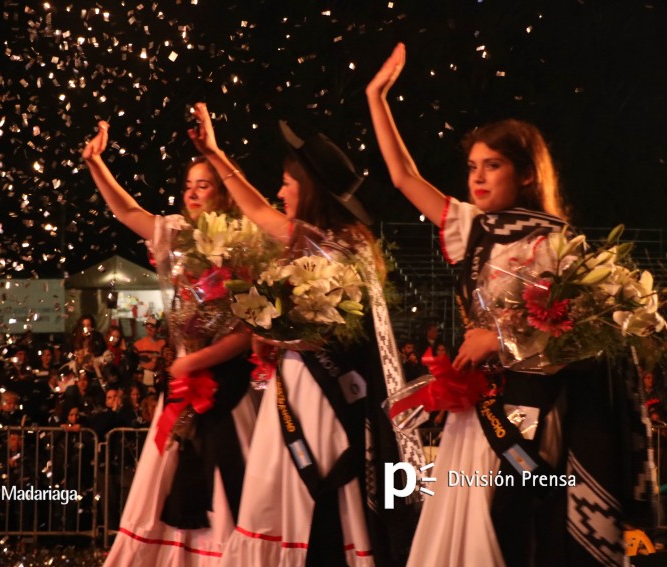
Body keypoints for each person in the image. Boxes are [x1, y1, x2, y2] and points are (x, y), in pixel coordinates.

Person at [367, 42, 630, 566]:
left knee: (515, 530)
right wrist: (376, 97)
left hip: (530, 411)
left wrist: (499, 339)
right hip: (475, 410)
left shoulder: (559, 245)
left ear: (527, 174)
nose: (478, 177)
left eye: (493, 165)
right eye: (472, 167)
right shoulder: (471, 227)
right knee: (464, 532)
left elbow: (581, 340)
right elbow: (403, 177)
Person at [189, 101, 424, 566]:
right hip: (293, 384)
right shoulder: (305, 237)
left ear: (309, 188)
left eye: (287, 182)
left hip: (325, 394)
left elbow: (339, 334)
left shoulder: (348, 249)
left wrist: (281, 333)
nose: (279, 192)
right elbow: (254, 206)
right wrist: (214, 153)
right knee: (275, 492)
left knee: (314, 483)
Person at [82, 120, 256, 565]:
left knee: (230, 492)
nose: (192, 193)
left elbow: (249, 330)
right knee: (162, 486)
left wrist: (196, 361)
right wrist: (96, 163)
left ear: (224, 193)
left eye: (204, 185)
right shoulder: (176, 234)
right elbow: (128, 211)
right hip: (182, 387)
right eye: (188, 186)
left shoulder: (243, 246)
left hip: (227, 389)